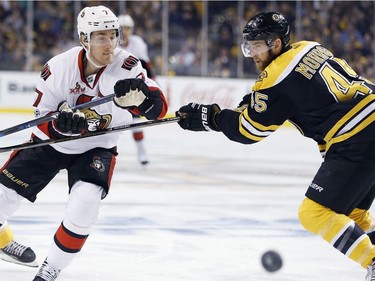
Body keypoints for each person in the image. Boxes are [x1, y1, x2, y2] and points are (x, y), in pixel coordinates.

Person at [177, 11, 375, 281]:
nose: (252, 53)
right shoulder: (309, 46)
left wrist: (210, 117)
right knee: (352, 214)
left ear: (276, 43)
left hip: (358, 134)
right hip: (368, 120)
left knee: (313, 213)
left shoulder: (275, 78)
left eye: (257, 45)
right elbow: (297, 94)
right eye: (249, 46)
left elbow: (249, 131)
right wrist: (253, 102)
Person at [0, 5, 167, 281]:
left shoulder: (127, 66)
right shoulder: (57, 68)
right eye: (100, 37)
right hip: (51, 144)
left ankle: (50, 269)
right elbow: (40, 117)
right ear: (84, 39)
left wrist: (142, 101)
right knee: (3, 197)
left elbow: (158, 110)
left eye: (113, 36)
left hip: (97, 147)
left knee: (85, 204)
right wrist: (58, 126)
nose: (109, 44)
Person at [118, 14, 156, 165]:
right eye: (122, 28)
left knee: (135, 123)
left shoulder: (137, 43)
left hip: (131, 88)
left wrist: (152, 85)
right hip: (111, 86)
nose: (125, 31)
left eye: (127, 28)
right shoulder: (111, 43)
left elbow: (146, 66)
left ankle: (142, 152)